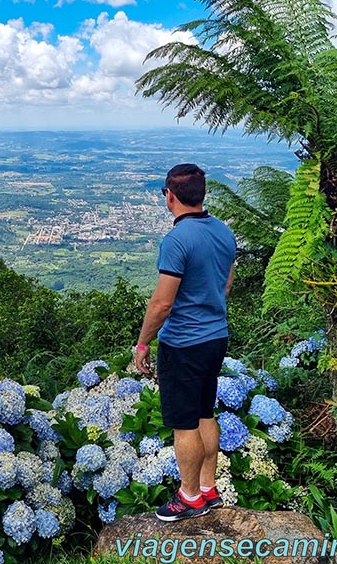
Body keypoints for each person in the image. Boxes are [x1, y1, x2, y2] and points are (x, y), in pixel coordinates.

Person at [133, 163, 236, 522]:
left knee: (184, 423)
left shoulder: (177, 240)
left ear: (169, 196)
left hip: (184, 343)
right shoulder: (223, 232)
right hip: (215, 337)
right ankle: (208, 488)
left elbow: (162, 303)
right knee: (205, 412)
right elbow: (225, 286)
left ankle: (189, 497)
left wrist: (143, 344)